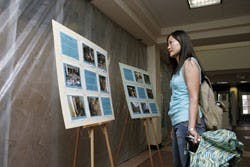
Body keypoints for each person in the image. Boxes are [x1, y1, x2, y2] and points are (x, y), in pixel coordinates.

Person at [166, 30, 206, 167]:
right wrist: (174, 126)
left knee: (189, 164)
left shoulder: (190, 63)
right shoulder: (179, 68)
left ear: (182, 42)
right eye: (167, 43)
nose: (168, 47)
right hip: (180, 122)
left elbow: (194, 97)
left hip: (187, 122)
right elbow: (177, 97)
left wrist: (191, 127)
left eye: (171, 42)